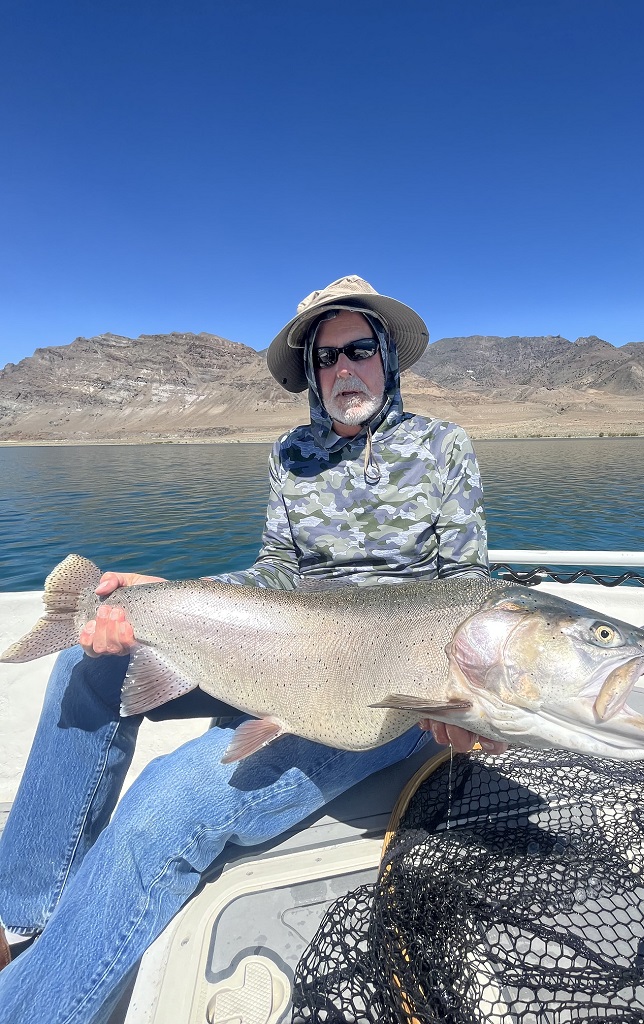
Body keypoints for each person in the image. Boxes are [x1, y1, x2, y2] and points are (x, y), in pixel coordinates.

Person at [0, 275, 501, 1022]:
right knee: (84, 663)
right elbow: (275, 574)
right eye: (322, 359)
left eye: (357, 349)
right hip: (277, 646)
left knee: (172, 800)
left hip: (375, 697)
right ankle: (24, 917)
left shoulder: (441, 448)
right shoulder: (292, 454)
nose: (341, 370)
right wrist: (170, 592)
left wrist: (471, 698)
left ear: (388, 357)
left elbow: (467, 584)